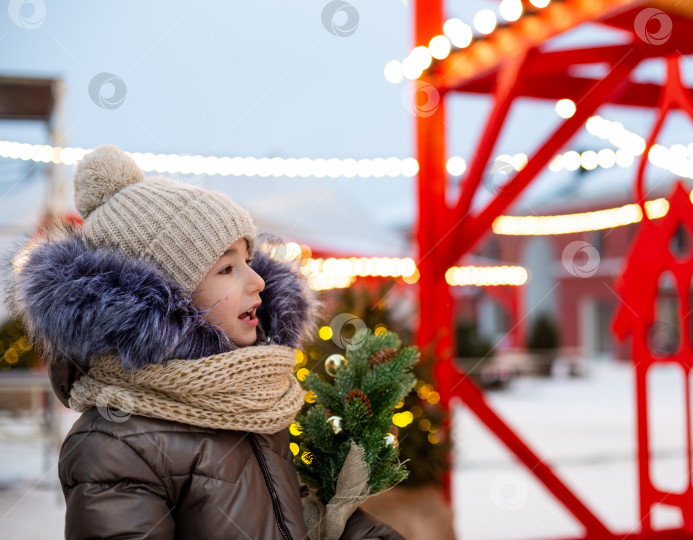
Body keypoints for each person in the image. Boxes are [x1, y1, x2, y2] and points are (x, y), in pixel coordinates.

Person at [6, 145, 404, 540]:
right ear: (167, 298)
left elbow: (292, 514)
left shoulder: (253, 402)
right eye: (228, 268)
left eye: (248, 261)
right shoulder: (115, 443)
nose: (257, 281)